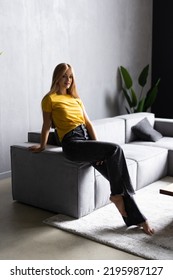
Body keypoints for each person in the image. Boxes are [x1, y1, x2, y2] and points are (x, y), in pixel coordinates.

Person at [29, 63, 154, 235]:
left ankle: (138, 218)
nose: (68, 80)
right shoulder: (49, 99)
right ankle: (117, 197)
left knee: (116, 176)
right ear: (57, 77)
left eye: (71, 76)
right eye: (64, 76)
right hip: (72, 144)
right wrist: (42, 145)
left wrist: (98, 148)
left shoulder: (76, 99)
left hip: (86, 142)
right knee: (116, 150)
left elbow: (88, 124)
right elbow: (46, 126)